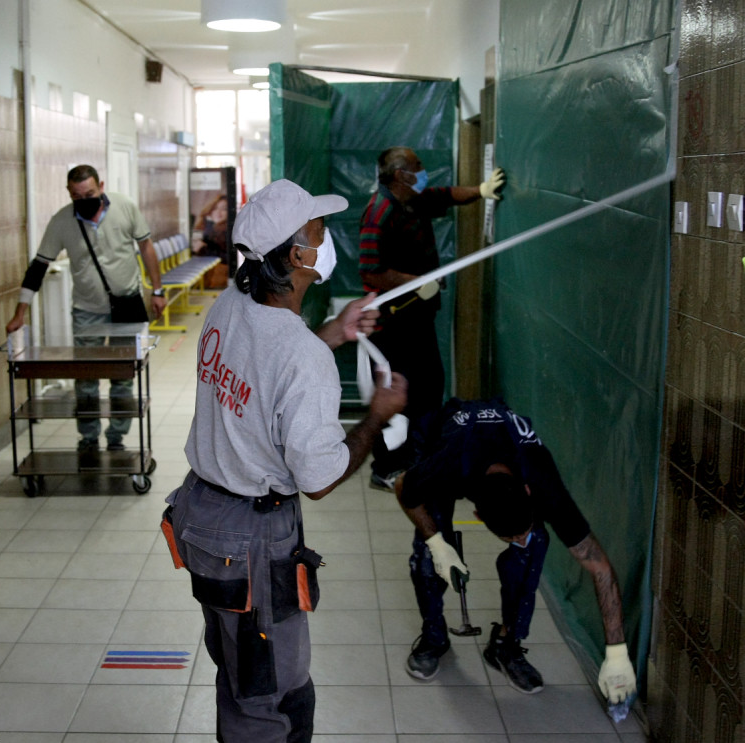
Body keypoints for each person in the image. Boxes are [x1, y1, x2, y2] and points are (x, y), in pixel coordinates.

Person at [161, 179, 408, 743]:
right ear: (298, 256)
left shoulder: (228, 306)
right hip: (250, 542)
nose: (327, 242)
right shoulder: (300, 355)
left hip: (204, 518)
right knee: (274, 697)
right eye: (319, 234)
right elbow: (318, 479)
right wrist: (376, 416)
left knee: (239, 674)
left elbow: (265, 373)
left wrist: (337, 333)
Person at [393, 397, 637, 707]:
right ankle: (433, 637)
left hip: (501, 449)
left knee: (533, 546)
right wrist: (439, 545)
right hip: (453, 449)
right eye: (511, 536)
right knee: (428, 556)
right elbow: (403, 488)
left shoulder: (541, 478)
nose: (518, 539)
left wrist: (617, 655)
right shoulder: (448, 464)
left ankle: (505, 645)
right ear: (478, 515)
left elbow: (601, 569)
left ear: (528, 492)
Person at [359, 146, 505, 490]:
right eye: (417, 166)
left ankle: (417, 458)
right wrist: (416, 282)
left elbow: (448, 195)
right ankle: (387, 467)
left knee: (428, 389)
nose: (424, 170)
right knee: (403, 394)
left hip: (417, 318)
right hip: (393, 323)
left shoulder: (413, 198)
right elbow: (371, 269)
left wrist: (481, 191)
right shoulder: (380, 211)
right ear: (399, 175)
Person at [5, 164, 167, 452]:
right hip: (87, 310)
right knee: (87, 376)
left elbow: (146, 248)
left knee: (123, 373)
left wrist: (157, 290)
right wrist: (20, 311)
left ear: (101, 186)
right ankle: (89, 438)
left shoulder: (125, 207)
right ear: (69, 193)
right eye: (77, 196)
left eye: (90, 193)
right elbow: (38, 267)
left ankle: (116, 437)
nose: (84, 200)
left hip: (127, 303)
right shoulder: (62, 222)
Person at [191, 193, 229, 258]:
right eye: (215, 208)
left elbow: (227, 257)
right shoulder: (207, 225)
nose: (218, 212)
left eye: (224, 209)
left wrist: (203, 248)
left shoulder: (227, 230)